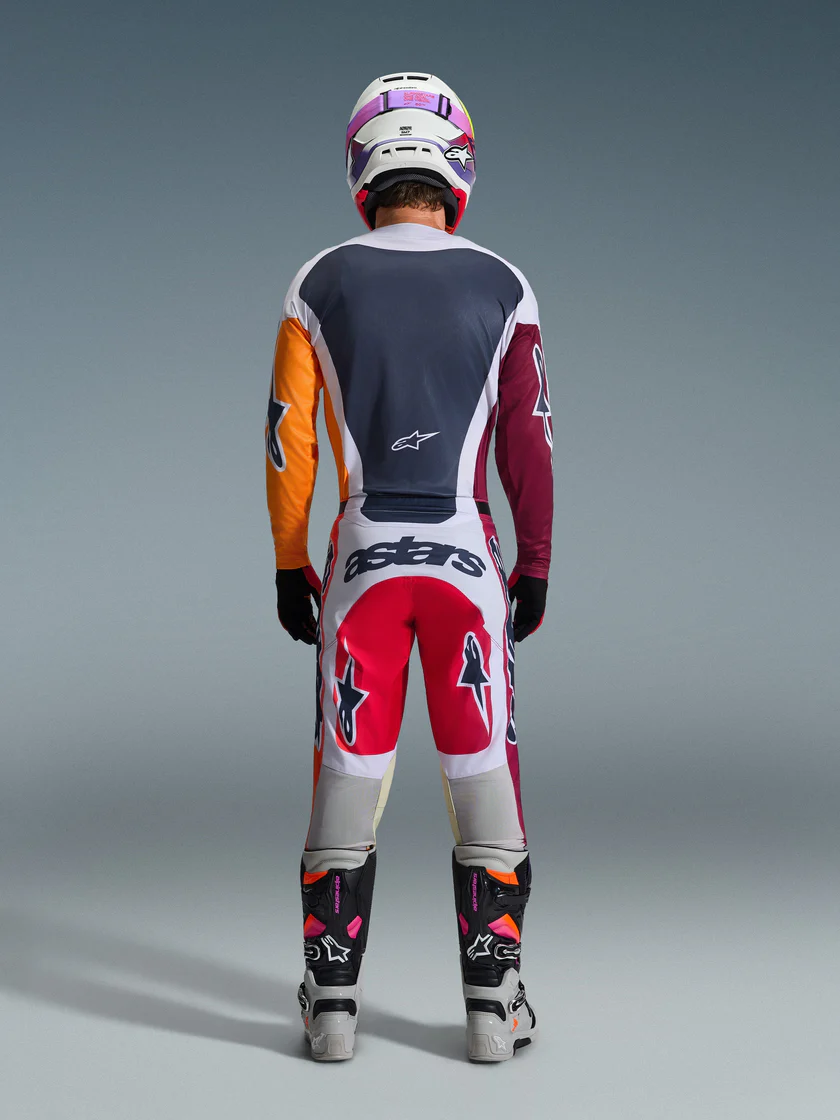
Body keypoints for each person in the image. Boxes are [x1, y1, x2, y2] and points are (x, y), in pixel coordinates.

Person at [266, 72, 553, 1062]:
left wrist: (287, 561)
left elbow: (290, 440)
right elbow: (529, 441)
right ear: (457, 164)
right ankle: (492, 1011)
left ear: (363, 165)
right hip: (467, 564)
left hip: (361, 566)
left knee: (348, 777)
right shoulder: (505, 283)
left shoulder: (317, 283)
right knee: (483, 772)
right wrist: (536, 563)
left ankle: (332, 1013)